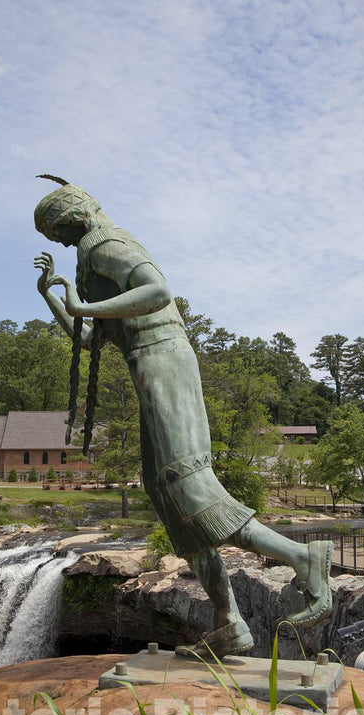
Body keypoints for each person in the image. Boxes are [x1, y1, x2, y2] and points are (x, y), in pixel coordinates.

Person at [34, 178, 333, 658]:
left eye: (60, 233)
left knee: (190, 485)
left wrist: (82, 303)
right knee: (171, 499)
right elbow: (90, 340)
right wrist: (53, 296)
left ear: (74, 217)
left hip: (164, 360)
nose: (63, 243)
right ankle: (228, 622)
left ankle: (305, 557)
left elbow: (156, 291)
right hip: (147, 367)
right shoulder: (90, 259)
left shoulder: (106, 243)